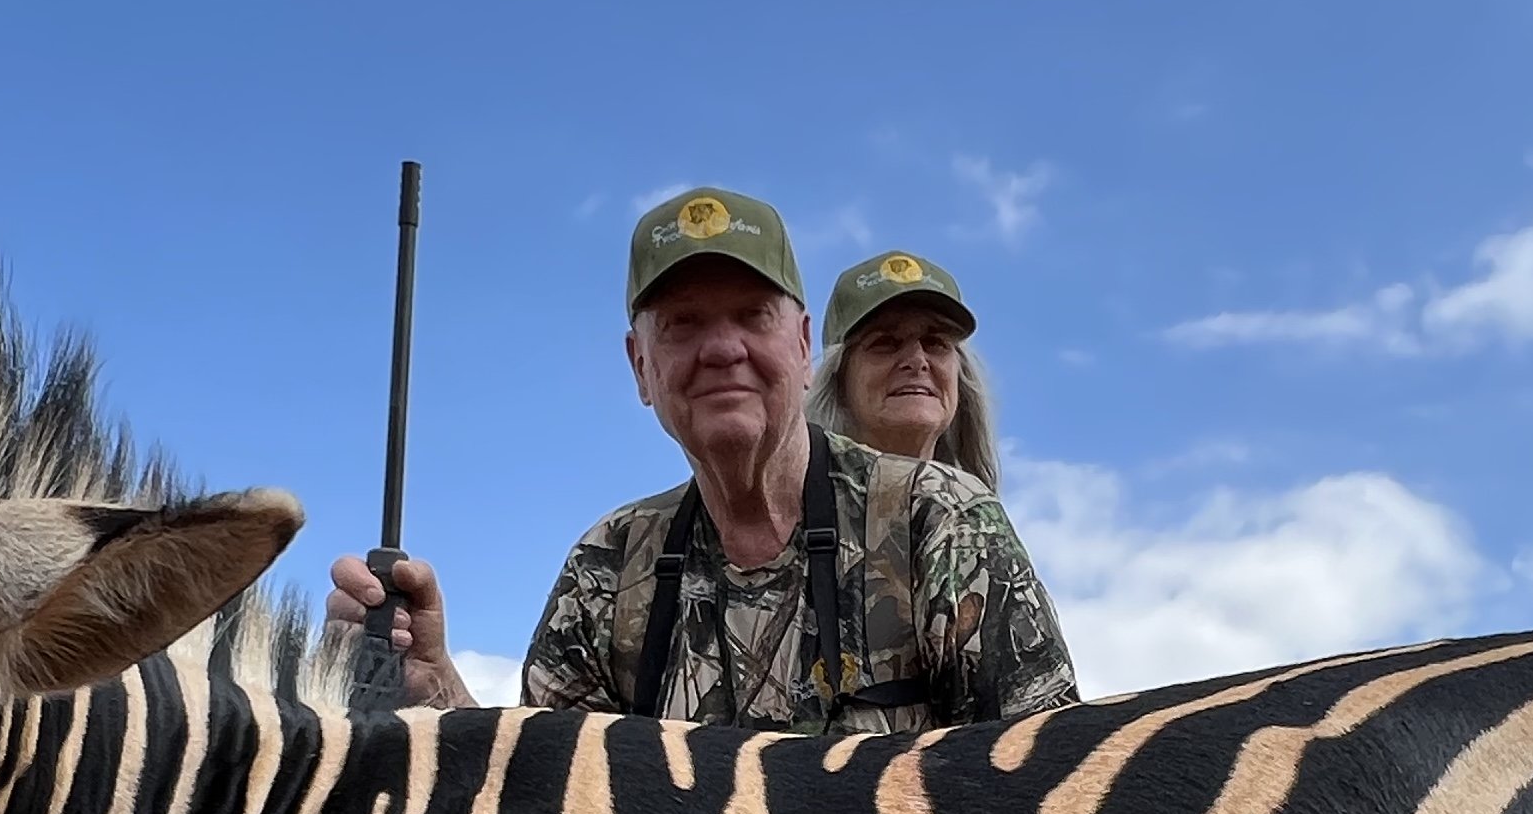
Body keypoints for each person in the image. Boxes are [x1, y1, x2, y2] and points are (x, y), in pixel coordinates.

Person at [330, 185, 1077, 732]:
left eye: (753, 316)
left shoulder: (939, 523)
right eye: (683, 324)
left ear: (804, 345)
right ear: (640, 367)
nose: (722, 350)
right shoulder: (607, 564)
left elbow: (1053, 784)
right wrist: (433, 687)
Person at [808, 249, 999, 485]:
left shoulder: (978, 514)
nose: (918, 361)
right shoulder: (787, 512)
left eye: (935, 343)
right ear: (838, 380)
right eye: (885, 342)